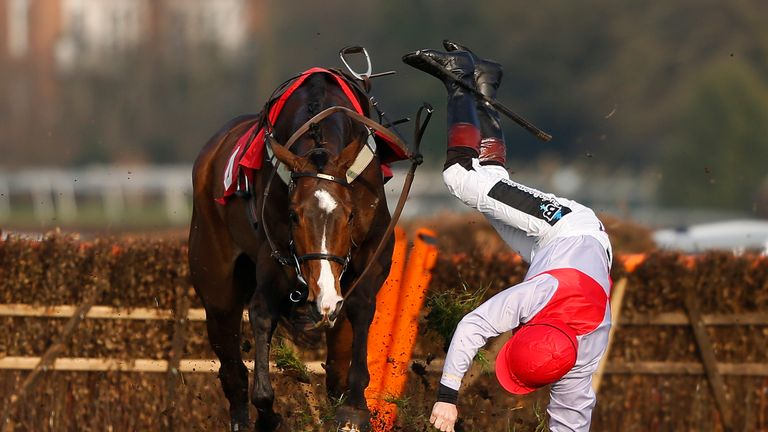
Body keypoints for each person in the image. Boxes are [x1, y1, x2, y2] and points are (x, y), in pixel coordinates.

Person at [402, 41, 613, 432]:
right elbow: (472, 326)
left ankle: (484, 84)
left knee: (490, 187)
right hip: (567, 227)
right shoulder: (537, 297)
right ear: (528, 330)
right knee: (461, 179)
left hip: (561, 255)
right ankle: (459, 77)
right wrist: (447, 399)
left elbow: (570, 426)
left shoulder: (576, 361)